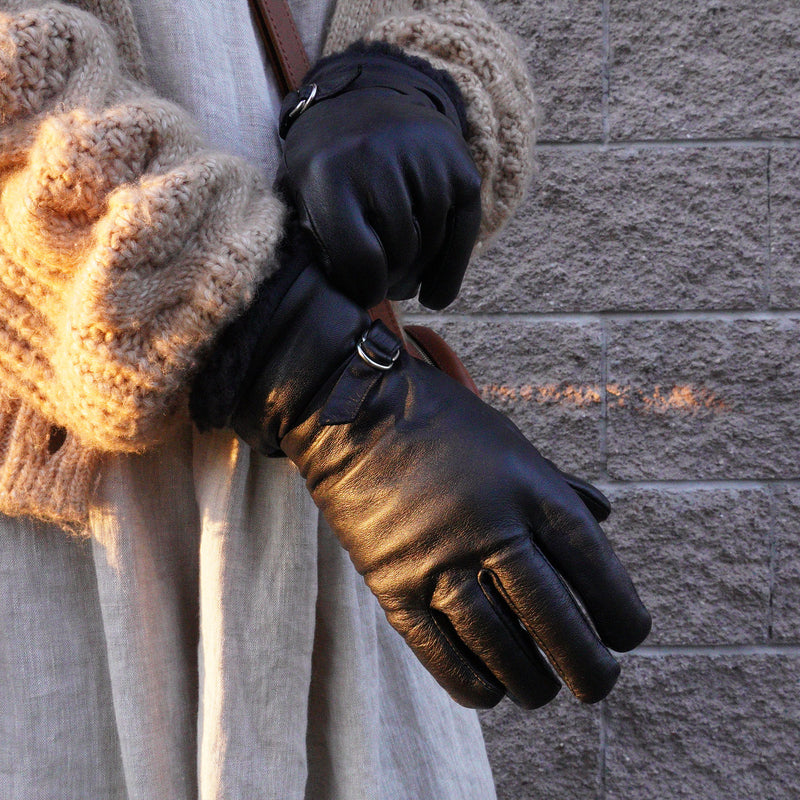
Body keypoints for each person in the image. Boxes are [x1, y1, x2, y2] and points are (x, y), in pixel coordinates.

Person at [0, 0, 650, 798]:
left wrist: (408, 82)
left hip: (344, 509)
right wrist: (317, 377)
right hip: (89, 532)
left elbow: (433, 15)